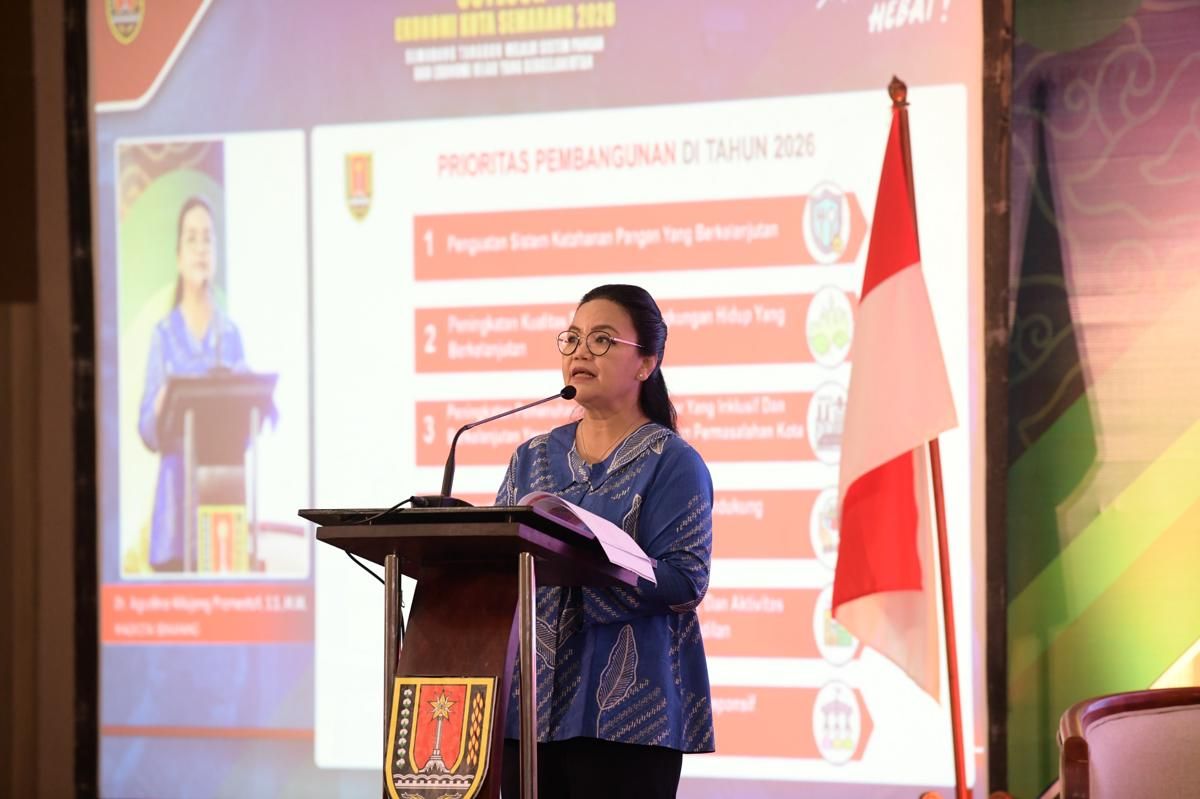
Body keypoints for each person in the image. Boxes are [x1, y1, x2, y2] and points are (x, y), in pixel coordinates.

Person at [496, 284, 715, 798]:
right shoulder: (531, 458)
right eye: (572, 339)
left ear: (646, 364)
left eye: (601, 340)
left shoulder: (673, 462)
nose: (580, 352)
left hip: (628, 719)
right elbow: (500, 564)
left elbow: (686, 581)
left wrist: (595, 561)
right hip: (526, 713)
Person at [138, 196, 247, 571]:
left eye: (207, 238)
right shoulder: (164, 335)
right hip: (175, 508)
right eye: (192, 238)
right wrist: (163, 398)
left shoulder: (229, 335)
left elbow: (248, 428)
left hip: (223, 500)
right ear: (178, 256)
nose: (201, 248)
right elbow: (147, 430)